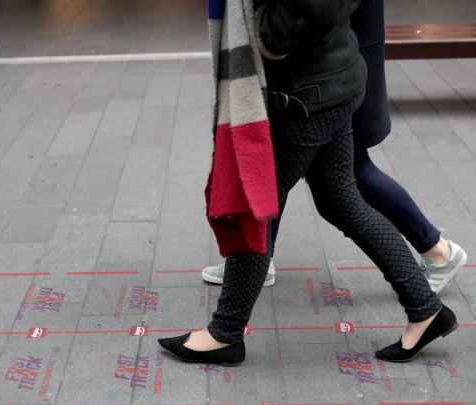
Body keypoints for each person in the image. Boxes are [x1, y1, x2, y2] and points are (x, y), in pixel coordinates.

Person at [159, 0, 458, 366]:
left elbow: (310, 8)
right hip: (333, 78)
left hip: (304, 94)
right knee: (341, 201)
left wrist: (265, 31)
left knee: (255, 210)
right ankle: (425, 309)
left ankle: (224, 334)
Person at [201, 0, 467, 294]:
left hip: (323, 67)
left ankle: (437, 253)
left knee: (339, 176)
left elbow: (317, 8)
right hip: (326, 62)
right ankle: (255, 260)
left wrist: (268, 33)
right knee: (296, 175)